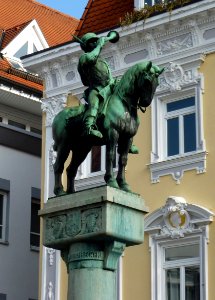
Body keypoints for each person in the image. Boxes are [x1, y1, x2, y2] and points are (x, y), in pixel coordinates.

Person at [74, 32, 139, 154]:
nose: (95, 42)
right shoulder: (85, 57)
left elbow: (107, 77)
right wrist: (100, 45)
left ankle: (128, 139)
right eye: (92, 42)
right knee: (94, 105)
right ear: (86, 46)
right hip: (96, 89)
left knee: (124, 106)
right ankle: (89, 127)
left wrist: (116, 82)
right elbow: (91, 59)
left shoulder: (102, 61)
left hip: (108, 88)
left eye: (96, 40)